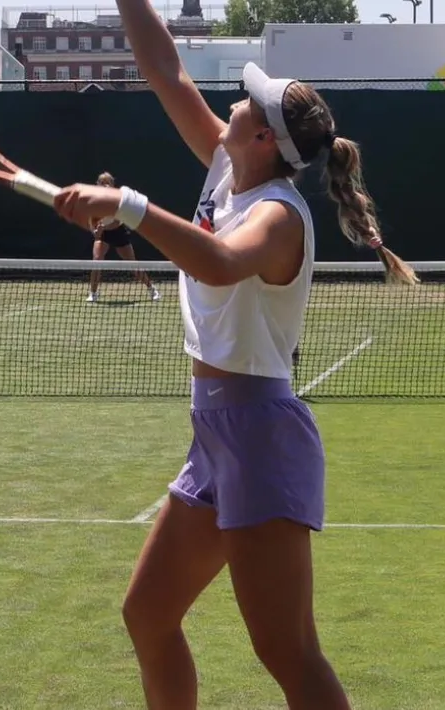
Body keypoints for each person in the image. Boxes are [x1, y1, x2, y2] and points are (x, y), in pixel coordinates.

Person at [50, 2, 418, 707]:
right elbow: (165, 70)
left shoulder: (279, 215)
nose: (232, 99)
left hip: (260, 437)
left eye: (246, 99)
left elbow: (220, 262)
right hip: (215, 436)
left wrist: (126, 205)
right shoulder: (230, 165)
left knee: (287, 651)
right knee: (148, 614)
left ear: (262, 136)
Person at [86, 172, 161, 303]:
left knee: (132, 264)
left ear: (112, 184)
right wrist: (95, 231)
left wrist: (102, 228)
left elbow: (117, 221)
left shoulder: (118, 199)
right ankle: (93, 293)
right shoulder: (94, 200)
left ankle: (152, 289)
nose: (105, 185)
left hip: (118, 232)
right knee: (96, 261)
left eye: (107, 182)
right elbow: (92, 220)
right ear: (97, 185)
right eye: (102, 182)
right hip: (103, 233)